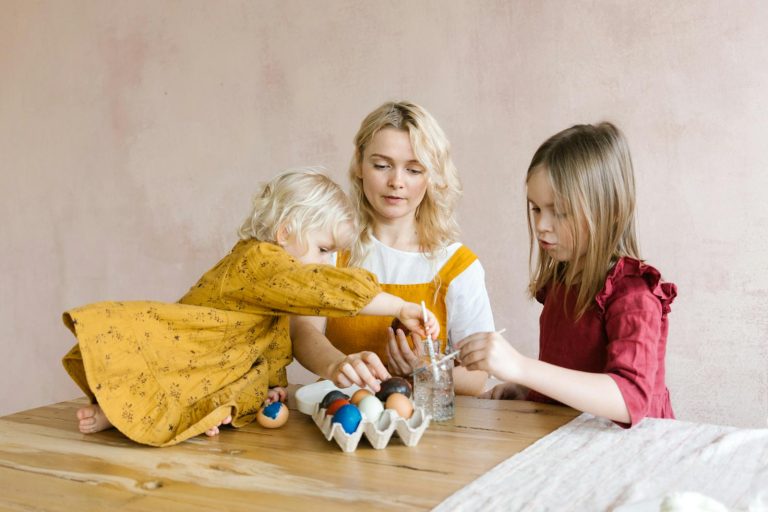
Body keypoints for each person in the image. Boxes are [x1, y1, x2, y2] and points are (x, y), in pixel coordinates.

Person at [61, 169, 438, 446]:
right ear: (285, 232)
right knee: (162, 377)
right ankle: (110, 413)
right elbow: (320, 288)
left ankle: (175, 420)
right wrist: (398, 305)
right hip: (193, 343)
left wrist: (275, 383)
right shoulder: (259, 260)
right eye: (323, 249)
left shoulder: (276, 288)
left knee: (212, 399)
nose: (327, 263)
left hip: (222, 360)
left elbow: (274, 340)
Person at [457, 122, 676, 427]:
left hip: (631, 454)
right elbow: (572, 373)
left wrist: (521, 368)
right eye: (535, 209)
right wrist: (529, 389)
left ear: (609, 211)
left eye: (559, 211)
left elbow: (630, 399)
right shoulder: (562, 281)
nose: (542, 225)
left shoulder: (633, 295)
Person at [291, 101, 494, 396]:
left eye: (413, 169)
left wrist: (423, 369)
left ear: (432, 176)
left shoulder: (458, 265)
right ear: (359, 164)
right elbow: (301, 332)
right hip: (341, 416)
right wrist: (338, 365)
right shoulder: (330, 248)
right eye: (382, 165)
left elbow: (477, 378)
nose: (396, 182)